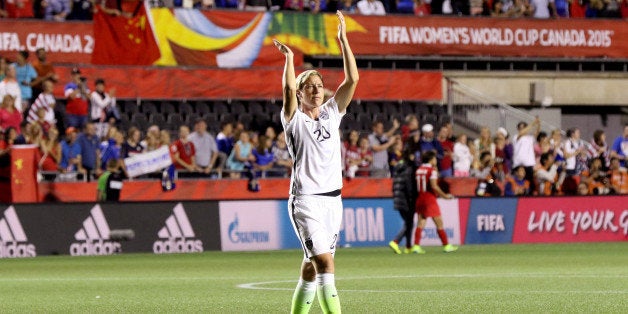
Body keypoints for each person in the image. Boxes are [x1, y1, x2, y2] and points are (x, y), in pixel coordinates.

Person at [273, 10, 358, 314]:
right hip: (306, 200)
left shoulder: (332, 113)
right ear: (300, 92)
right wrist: (289, 59)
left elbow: (353, 79)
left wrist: (342, 39)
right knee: (326, 263)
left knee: (311, 268)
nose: (316, 89)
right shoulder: (293, 119)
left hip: (333, 201)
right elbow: (286, 91)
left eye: (319, 85)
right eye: (309, 86)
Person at [412, 151, 457, 254]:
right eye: (435, 158)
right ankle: (446, 245)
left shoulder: (419, 170)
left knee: (421, 222)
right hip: (429, 199)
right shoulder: (431, 171)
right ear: (431, 159)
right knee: (439, 223)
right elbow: (434, 186)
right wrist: (445, 196)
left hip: (420, 198)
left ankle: (416, 246)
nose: (436, 160)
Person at [388, 149, 417, 255]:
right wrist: (411, 198)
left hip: (397, 198)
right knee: (409, 223)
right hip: (405, 200)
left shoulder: (397, 169)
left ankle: (408, 246)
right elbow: (409, 187)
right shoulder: (408, 170)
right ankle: (395, 241)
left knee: (409, 222)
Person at [512, 118, 540, 193]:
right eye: (520, 128)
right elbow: (521, 133)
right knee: (517, 183)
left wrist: (538, 123)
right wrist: (533, 123)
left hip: (529, 164)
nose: (522, 129)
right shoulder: (516, 137)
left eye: (523, 127)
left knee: (529, 184)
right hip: (518, 165)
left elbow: (537, 132)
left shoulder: (530, 138)